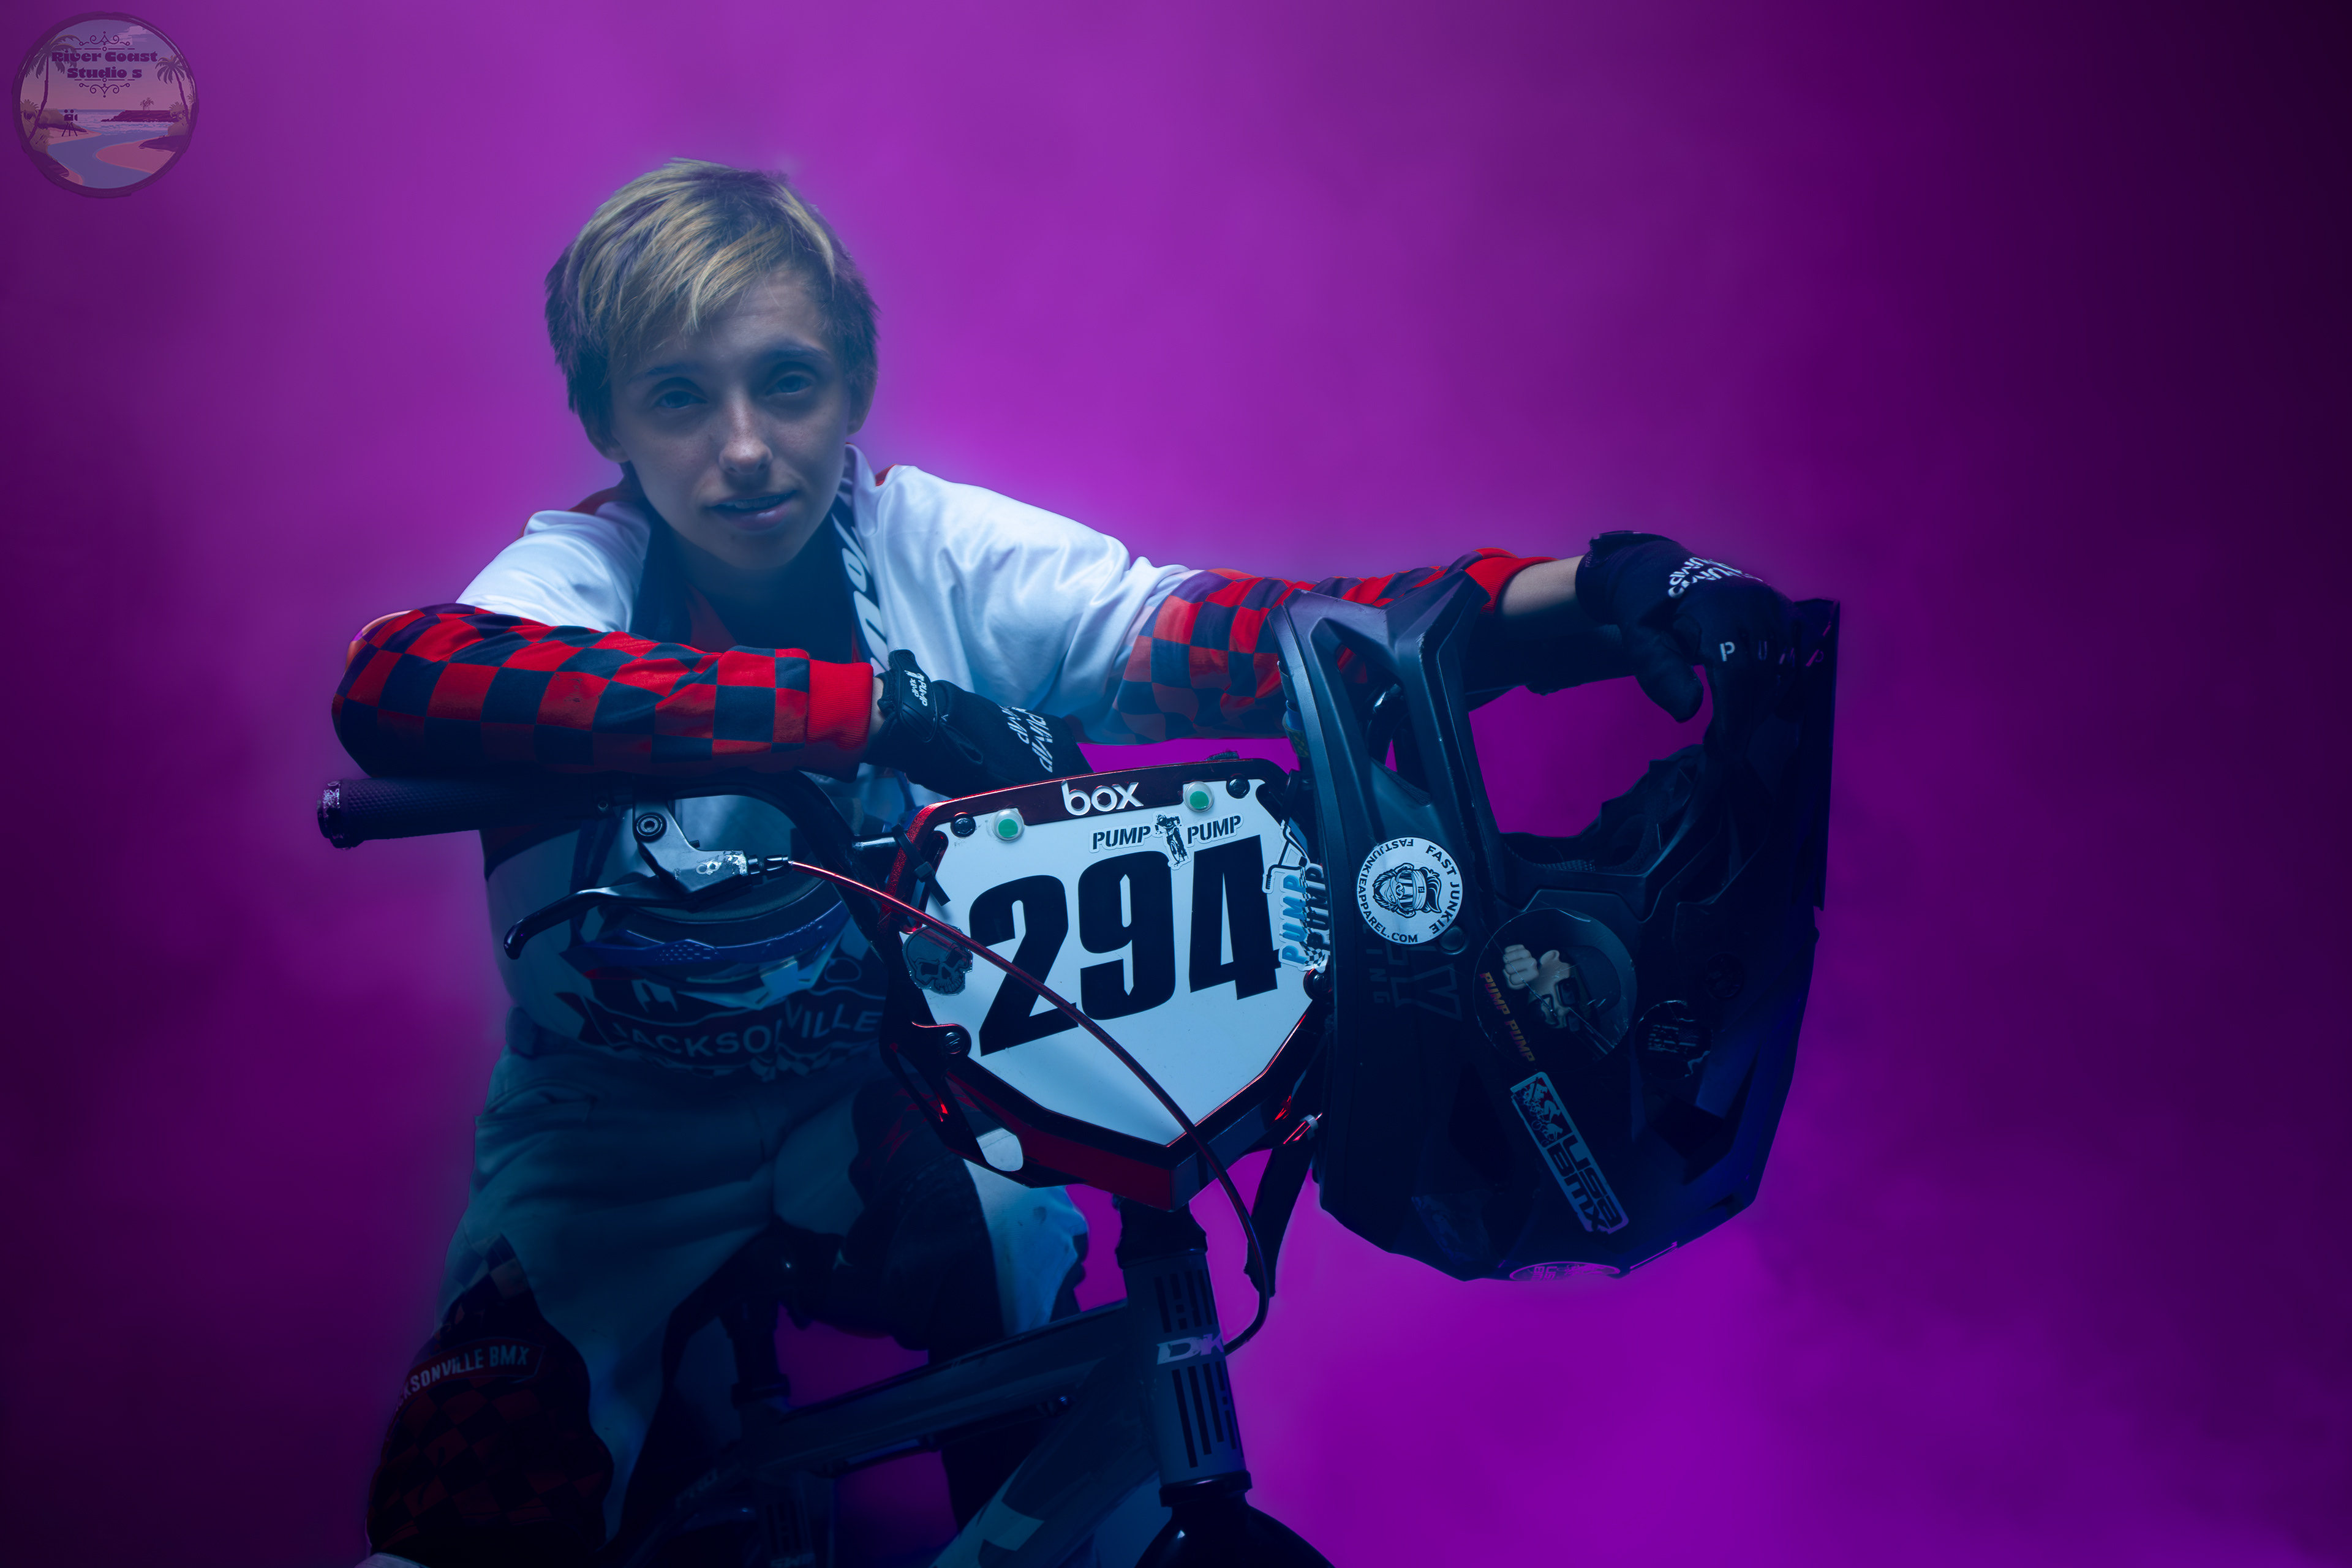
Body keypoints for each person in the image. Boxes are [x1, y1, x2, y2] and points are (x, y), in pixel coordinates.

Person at [333, 159, 1805, 1568]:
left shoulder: (934, 547)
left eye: (786, 381)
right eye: (678, 396)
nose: (744, 447)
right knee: (463, 1513)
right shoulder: (578, 572)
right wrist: (877, 709)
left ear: (854, 380)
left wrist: (1589, 596)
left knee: (1020, 1263)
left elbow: (1243, 640)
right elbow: (406, 676)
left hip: (883, 1088)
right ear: (605, 419)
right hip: (608, 1130)